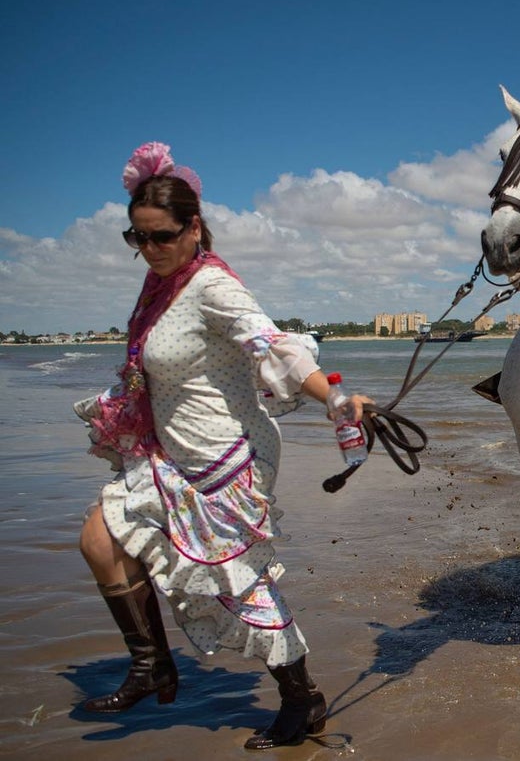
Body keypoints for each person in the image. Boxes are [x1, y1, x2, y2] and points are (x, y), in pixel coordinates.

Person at [75, 142, 371, 749]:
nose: (149, 249)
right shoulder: (160, 287)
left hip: (225, 458)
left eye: (161, 236)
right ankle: (151, 666)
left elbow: (273, 346)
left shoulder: (212, 286)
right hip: (171, 450)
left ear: (194, 228)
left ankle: (301, 699)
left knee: (241, 584)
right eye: (137, 238)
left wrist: (334, 398)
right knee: (99, 540)